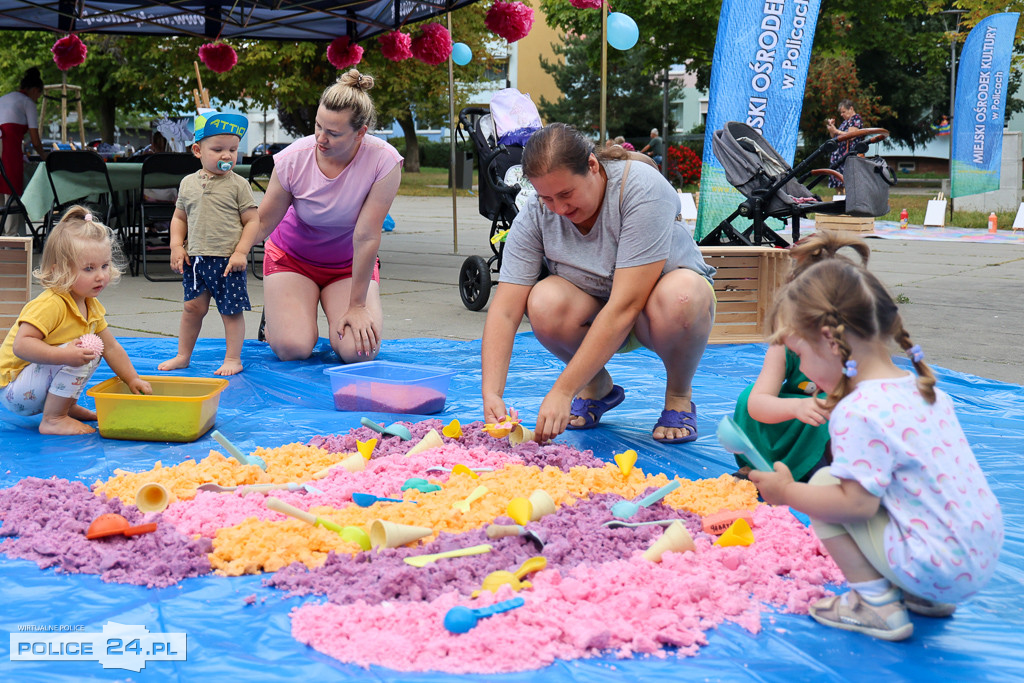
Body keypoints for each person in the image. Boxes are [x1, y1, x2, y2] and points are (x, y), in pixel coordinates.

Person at [749, 231, 1003, 642]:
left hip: (936, 565)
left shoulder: (858, 412)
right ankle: (920, 595)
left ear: (831, 343)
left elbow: (857, 506)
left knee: (825, 487)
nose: (804, 370)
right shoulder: (919, 387)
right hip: (979, 556)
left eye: (802, 355)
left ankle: (876, 605)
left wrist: (787, 491)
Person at [481, 122, 716, 444]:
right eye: (546, 198)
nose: (560, 209)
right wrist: (491, 392)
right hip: (595, 307)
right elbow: (506, 310)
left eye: (566, 194)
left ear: (592, 166)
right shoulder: (536, 212)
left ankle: (678, 395)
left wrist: (564, 390)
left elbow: (626, 305)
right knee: (543, 300)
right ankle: (596, 386)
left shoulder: (641, 189)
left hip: (654, 310)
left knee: (683, 297)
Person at [255, 69, 402, 363]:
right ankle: (277, 323)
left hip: (347, 265)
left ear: (361, 133)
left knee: (359, 352)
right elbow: (263, 221)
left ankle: (332, 312)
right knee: (293, 348)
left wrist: (357, 305)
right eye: (318, 126)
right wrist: (228, 251)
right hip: (292, 259)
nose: (321, 138)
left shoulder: (384, 161)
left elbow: (367, 234)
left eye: (333, 133)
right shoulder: (294, 158)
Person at [731, 232, 872, 482]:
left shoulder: (860, 354)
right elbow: (757, 403)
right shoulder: (785, 343)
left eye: (803, 350)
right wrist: (797, 406)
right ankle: (762, 465)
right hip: (798, 417)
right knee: (747, 398)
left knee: (827, 416)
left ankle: (827, 471)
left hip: (829, 431)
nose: (802, 362)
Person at [0, 206, 152, 435]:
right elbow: (22, 346)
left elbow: (111, 347)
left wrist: (132, 378)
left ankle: (65, 407)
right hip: (16, 391)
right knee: (81, 352)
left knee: (94, 348)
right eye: (89, 268)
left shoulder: (90, 305)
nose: (100, 275)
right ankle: (53, 419)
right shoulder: (51, 304)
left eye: (104, 266)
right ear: (60, 270)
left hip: (35, 387)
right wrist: (64, 355)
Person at [158, 112, 260, 377]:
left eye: (233, 149)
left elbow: (252, 221)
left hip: (228, 261)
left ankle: (233, 358)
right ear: (197, 150)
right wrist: (176, 246)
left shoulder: (239, 185)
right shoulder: (188, 183)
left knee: (231, 311)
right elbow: (179, 217)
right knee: (192, 307)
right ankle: (183, 355)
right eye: (217, 149)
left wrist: (241, 252)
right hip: (196, 260)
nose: (227, 155)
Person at [0, 67, 46, 236]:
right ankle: (13, 240)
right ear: (35, 90)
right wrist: (45, 156)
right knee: (12, 196)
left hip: (3, 148)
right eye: (38, 96)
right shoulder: (28, 103)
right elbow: (35, 140)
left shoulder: (4, 98)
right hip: (10, 152)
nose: (37, 99)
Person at [824, 99, 862, 188]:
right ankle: (839, 199)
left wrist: (836, 131)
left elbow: (852, 135)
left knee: (845, 182)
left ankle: (845, 200)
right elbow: (836, 137)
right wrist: (832, 129)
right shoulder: (845, 122)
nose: (841, 115)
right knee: (837, 182)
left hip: (847, 155)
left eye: (843, 112)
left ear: (851, 109)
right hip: (839, 155)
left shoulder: (856, 119)